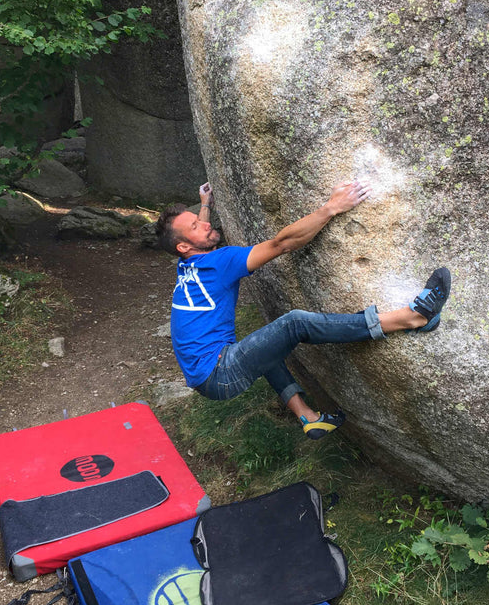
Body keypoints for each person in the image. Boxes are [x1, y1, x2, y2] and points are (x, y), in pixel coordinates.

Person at [155, 180, 451, 440]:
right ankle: (412, 317)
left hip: (205, 376)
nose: (205, 224)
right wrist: (332, 207)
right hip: (219, 371)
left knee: (264, 347)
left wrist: (205, 205)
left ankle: (309, 418)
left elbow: (195, 238)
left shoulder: (188, 265)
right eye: (196, 225)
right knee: (294, 324)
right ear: (184, 246)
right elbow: (282, 244)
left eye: (199, 219)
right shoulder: (219, 263)